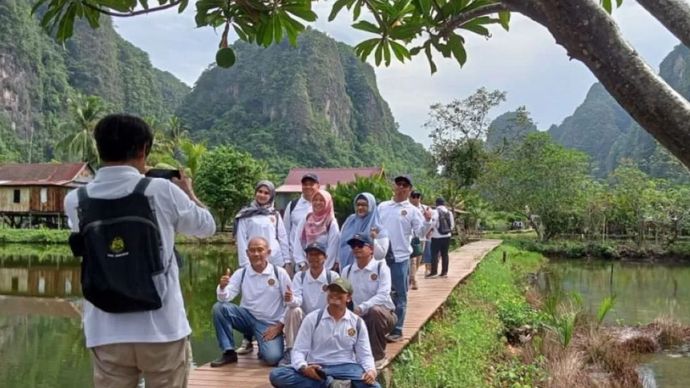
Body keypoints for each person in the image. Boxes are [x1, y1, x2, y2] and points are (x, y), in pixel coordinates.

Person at [64, 113, 216, 388]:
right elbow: (207, 227)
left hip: (105, 329)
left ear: (99, 148)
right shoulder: (160, 190)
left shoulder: (75, 199)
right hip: (162, 327)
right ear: (144, 149)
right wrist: (188, 192)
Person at [269, 278, 380, 388]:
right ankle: (332, 384)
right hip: (318, 367)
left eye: (340, 292)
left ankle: (330, 384)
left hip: (347, 367)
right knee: (277, 375)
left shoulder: (357, 323)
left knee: (374, 386)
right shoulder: (312, 318)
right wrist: (304, 368)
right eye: (332, 291)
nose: (335, 294)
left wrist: (371, 371)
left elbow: (365, 354)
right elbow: (299, 350)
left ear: (349, 297)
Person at [211, 237, 292, 367]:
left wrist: (279, 326)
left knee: (273, 358)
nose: (256, 254)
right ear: (247, 253)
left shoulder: (279, 273)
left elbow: (291, 304)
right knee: (219, 308)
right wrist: (222, 287)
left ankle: (262, 345)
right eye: (252, 251)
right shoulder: (241, 273)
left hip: (268, 324)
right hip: (246, 319)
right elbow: (224, 298)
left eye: (260, 250)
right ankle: (229, 351)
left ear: (268, 252)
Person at [377, 175, 431, 342]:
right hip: (380, 257)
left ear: (409, 190)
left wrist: (428, 221)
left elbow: (420, 233)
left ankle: (397, 330)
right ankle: (381, 327)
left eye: (405, 185)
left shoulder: (413, 211)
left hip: (400, 258)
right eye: (398, 184)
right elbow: (375, 227)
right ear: (394, 186)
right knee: (381, 293)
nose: (401, 187)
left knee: (400, 294)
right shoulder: (382, 206)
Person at [341, 234, 397, 368]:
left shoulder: (381, 267)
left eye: (360, 245)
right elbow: (342, 294)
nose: (356, 248)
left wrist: (361, 308)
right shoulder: (346, 271)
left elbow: (383, 294)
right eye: (353, 246)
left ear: (371, 249)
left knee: (374, 311)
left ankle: (378, 356)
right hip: (357, 316)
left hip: (383, 315)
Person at [282, 241, 340, 366]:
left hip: (325, 320)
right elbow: (297, 300)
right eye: (310, 254)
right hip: (304, 319)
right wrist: (290, 299)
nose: (314, 258)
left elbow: (337, 302)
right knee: (293, 310)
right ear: (306, 257)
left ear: (325, 257)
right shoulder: (300, 276)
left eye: (317, 254)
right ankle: (291, 350)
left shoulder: (333, 277)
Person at [234, 180, 289, 268]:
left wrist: (287, 261)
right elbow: (241, 241)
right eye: (260, 191)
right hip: (253, 259)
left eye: (266, 193)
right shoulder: (245, 214)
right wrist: (245, 264)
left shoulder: (275, 214)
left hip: (275, 260)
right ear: (255, 193)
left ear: (271, 196)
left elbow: (283, 238)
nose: (262, 195)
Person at [338, 192, 389, 270]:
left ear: (371, 206)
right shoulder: (350, 221)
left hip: (371, 272)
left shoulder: (379, 228)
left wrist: (374, 239)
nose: (360, 207)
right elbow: (341, 244)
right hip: (348, 270)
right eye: (358, 205)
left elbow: (381, 255)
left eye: (364, 205)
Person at [292, 189, 340, 272]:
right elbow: (298, 242)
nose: (318, 203)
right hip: (304, 268)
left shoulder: (331, 222)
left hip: (324, 269)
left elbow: (332, 248)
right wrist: (302, 264)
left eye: (321, 200)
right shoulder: (306, 219)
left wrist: (322, 270)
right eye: (315, 200)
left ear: (328, 203)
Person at [283, 173, 320, 275]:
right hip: (295, 259)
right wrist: (287, 260)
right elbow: (285, 232)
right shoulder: (292, 205)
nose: (308, 187)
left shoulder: (323, 205)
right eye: (305, 184)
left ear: (318, 186)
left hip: (318, 258)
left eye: (311, 184)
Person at [428, 197, 456, 278]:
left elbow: (433, 223)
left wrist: (428, 231)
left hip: (436, 236)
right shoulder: (449, 212)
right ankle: (444, 273)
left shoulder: (435, 211)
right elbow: (452, 225)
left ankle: (434, 272)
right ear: (444, 204)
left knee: (434, 254)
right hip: (447, 236)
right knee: (445, 254)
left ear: (436, 203)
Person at [408, 191, 430, 290]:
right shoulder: (407, 208)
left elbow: (430, 221)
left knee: (418, 260)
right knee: (412, 259)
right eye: (414, 197)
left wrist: (428, 229)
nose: (416, 199)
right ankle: (413, 280)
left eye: (418, 196)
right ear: (410, 197)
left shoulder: (425, 208)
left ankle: (412, 276)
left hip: (421, 238)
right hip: (410, 238)